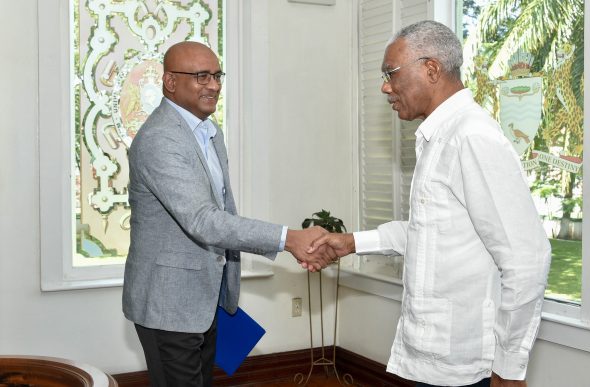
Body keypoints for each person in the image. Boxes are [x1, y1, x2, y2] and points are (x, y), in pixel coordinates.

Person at [309, 20, 551, 387]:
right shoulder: (438, 137)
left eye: (391, 74)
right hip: (433, 361)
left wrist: (508, 368)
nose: (384, 86)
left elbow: (527, 257)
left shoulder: (471, 137)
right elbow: (431, 232)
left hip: (468, 367)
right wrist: (353, 242)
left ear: (432, 69)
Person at [122, 41, 335, 387]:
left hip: (204, 297)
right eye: (202, 76)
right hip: (168, 304)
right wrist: (289, 238)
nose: (215, 85)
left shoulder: (209, 131)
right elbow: (203, 220)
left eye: (218, 75)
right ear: (170, 82)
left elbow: (222, 207)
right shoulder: (160, 139)